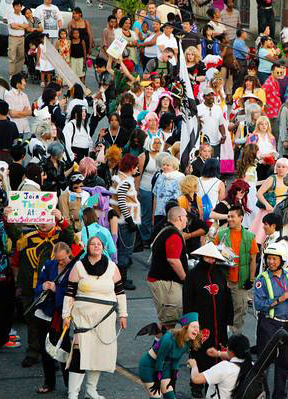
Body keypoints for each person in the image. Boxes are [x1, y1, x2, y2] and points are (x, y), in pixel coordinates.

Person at [7, 207, 74, 368]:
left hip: (53, 290)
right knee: (32, 321)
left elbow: (70, 236)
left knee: (54, 322)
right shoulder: (27, 238)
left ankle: (55, 353)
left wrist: (61, 218)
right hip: (31, 288)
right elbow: (14, 234)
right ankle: (33, 353)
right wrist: (7, 218)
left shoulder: (60, 237)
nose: (43, 223)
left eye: (47, 220)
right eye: (41, 220)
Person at [62, 236, 128, 399]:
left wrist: (123, 314)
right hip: (83, 316)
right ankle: (73, 394)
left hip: (105, 317)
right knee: (79, 354)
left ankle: (91, 390)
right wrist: (66, 315)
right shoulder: (78, 266)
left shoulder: (112, 267)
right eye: (93, 244)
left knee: (98, 354)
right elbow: (69, 293)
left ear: (103, 247)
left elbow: (120, 293)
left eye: (99, 244)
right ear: (88, 248)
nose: (96, 246)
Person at [183, 242, 233, 398]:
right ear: (201, 256)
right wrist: (190, 323)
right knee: (198, 352)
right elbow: (187, 301)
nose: (210, 260)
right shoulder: (192, 276)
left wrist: (229, 319)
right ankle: (196, 384)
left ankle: (215, 381)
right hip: (200, 323)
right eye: (207, 257)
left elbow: (227, 298)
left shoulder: (220, 275)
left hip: (219, 322)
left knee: (218, 351)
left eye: (213, 258)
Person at [253, 242, 288, 399]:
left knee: (283, 364)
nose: (271, 262)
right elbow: (258, 305)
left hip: (287, 324)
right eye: (269, 258)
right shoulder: (261, 279)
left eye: (274, 259)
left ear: (282, 260)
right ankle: (262, 395)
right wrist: (279, 299)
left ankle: (279, 396)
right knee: (264, 364)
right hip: (269, 324)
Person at [33, 242, 73, 395]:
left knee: (65, 349)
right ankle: (49, 383)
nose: (60, 262)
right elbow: (38, 284)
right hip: (44, 312)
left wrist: (57, 289)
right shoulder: (49, 265)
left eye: (63, 259)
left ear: (69, 253)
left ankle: (70, 385)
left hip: (62, 314)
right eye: (58, 259)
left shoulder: (74, 269)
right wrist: (43, 286)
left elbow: (74, 292)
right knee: (46, 350)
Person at [215, 206, 258, 333]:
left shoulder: (250, 236)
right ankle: (223, 336)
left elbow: (253, 260)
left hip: (240, 281)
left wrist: (251, 279)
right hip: (224, 280)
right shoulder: (221, 234)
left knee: (241, 309)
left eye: (232, 216)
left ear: (241, 218)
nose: (230, 219)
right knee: (222, 309)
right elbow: (214, 256)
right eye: (228, 216)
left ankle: (235, 336)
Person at [138, 313, 200, 399]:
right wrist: (157, 380)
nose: (197, 330)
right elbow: (160, 359)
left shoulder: (188, 342)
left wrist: (173, 379)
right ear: (185, 328)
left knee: (171, 396)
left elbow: (176, 361)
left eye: (198, 327)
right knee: (156, 396)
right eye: (194, 327)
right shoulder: (169, 339)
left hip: (165, 366)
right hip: (149, 365)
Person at [148, 206, 188, 328]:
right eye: (186, 216)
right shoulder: (173, 235)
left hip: (162, 281)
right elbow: (173, 260)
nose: (187, 219)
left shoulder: (165, 230)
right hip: (165, 283)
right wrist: (186, 279)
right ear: (180, 218)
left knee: (168, 319)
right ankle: (161, 346)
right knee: (170, 321)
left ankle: (157, 344)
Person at [188, 333, 251, 399]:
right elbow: (233, 356)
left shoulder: (225, 367)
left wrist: (194, 365)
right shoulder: (251, 365)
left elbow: (196, 379)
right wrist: (219, 353)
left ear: (231, 351)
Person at [111, 153, 140, 290]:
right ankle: (122, 280)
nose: (137, 169)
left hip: (120, 221)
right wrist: (130, 221)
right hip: (124, 222)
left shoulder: (119, 178)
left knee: (121, 251)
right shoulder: (126, 181)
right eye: (136, 167)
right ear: (131, 167)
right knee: (125, 251)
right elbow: (122, 200)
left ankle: (120, 279)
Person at [197, 88, 226, 157]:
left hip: (216, 143)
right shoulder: (198, 108)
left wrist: (224, 135)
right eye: (208, 95)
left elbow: (221, 125)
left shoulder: (218, 108)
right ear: (204, 97)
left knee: (215, 164)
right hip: (202, 142)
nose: (211, 97)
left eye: (212, 95)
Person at [5, 73, 32, 138]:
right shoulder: (9, 95)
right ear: (18, 83)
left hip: (25, 128)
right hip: (15, 129)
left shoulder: (24, 95)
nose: (25, 83)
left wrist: (18, 113)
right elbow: (12, 114)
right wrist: (24, 113)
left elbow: (29, 112)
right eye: (24, 81)